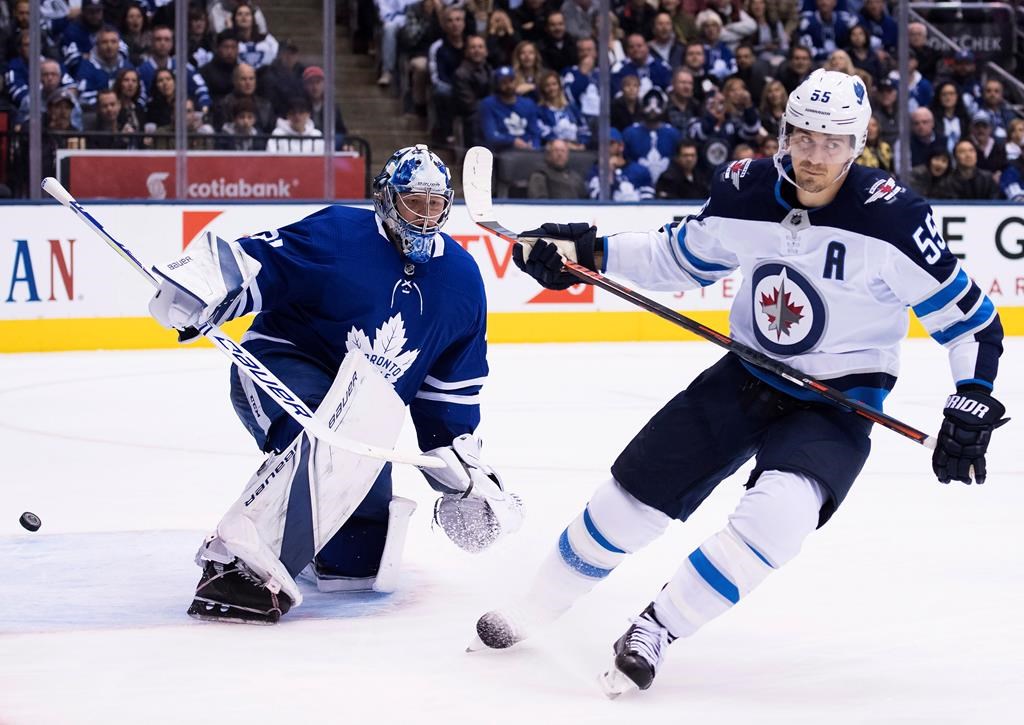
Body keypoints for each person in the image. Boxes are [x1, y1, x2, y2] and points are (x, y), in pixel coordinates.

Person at [470, 69, 1006, 697]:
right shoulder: (748, 188)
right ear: (786, 132)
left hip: (839, 401)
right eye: (804, 137)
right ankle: (539, 604)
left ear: (858, 145)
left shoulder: (894, 220)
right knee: (630, 499)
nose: (813, 156)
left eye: (832, 143)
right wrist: (589, 254)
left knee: (780, 517)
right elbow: (680, 257)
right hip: (745, 374)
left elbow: (971, 321)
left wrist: (970, 397)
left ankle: (657, 629)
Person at [146, 145, 522, 624]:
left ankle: (309, 546)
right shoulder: (340, 232)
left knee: (356, 560)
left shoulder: (462, 281)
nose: (425, 218)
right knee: (327, 431)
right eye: (413, 202)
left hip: (364, 413)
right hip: (282, 366)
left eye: (435, 204)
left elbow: (447, 394)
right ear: (386, 199)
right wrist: (202, 286)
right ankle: (235, 562)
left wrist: (460, 469)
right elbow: (259, 263)